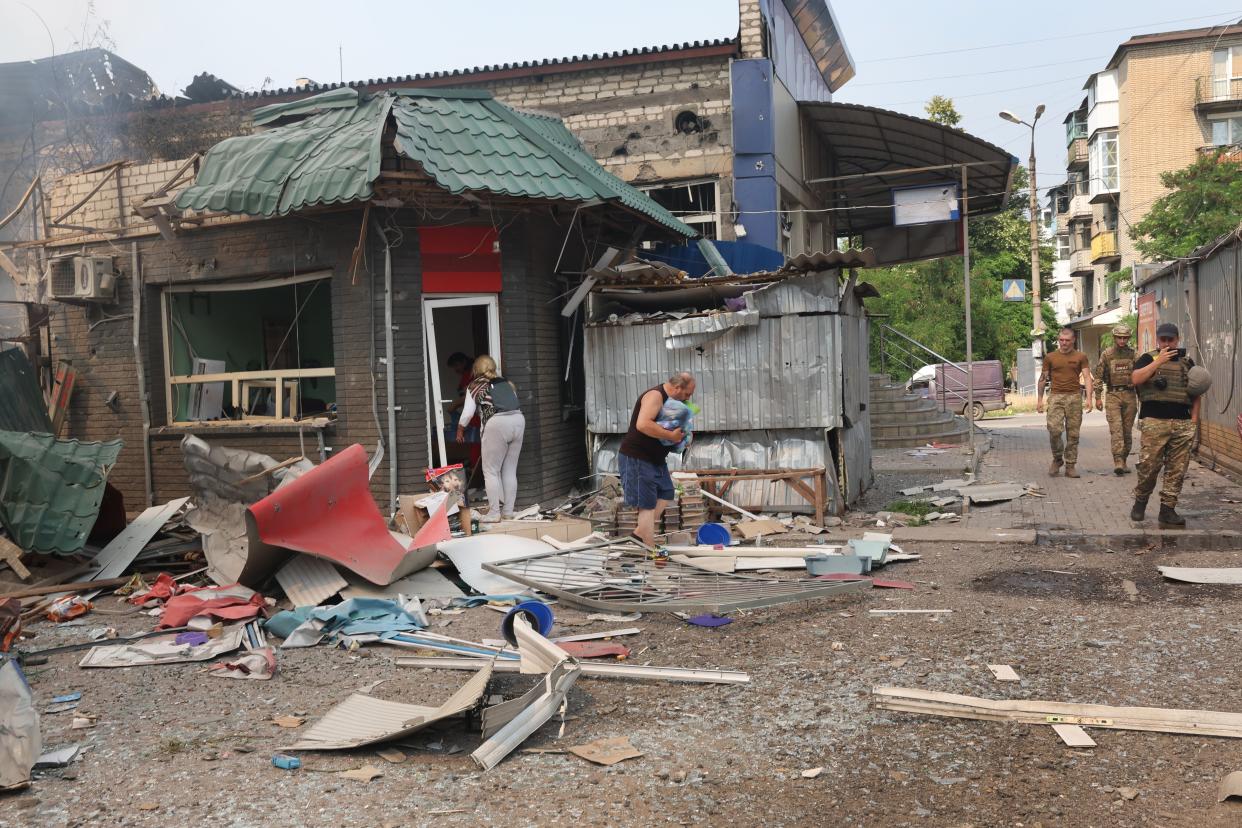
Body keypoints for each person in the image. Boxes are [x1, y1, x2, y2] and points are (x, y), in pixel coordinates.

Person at [1129, 323, 1200, 527]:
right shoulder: (1147, 358)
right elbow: (1135, 379)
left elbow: (1197, 393)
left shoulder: (1187, 362)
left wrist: (1194, 421)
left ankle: (1167, 510)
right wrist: (1158, 361)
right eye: (1163, 340)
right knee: (1149, 467)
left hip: (1182, 423)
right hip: (1154, 422)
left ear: (1177, 340)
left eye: (1171, 340)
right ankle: (1140, 503)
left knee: (1177, 469)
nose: (1167, 343)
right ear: (1158, 340)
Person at [618, 371, 696, 546]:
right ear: (677, 388)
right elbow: (643, 424)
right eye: (687, 394)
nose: (688, 398)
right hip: (637, 457)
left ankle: (638, 536)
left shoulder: (675, 403)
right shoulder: (655, 395)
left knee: (666, 492)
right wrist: (671, 436)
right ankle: (649, 548)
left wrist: (684, 436)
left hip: (655, 459)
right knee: (647, 504)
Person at [456, 355, 524, 523]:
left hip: (497, 424)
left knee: (491, 471)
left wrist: (460, 429)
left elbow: (467, 413)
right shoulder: (507, 383)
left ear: (476, 370)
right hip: (518, 420)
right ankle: (508, 511)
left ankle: (494, 513)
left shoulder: (474, 386)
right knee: (509, 470)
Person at [1036, 327, 1094, 477]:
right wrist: (1039, 400)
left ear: (1073, 340)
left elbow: (1087, 377)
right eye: (1061, 340)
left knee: (1073, 434)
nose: (1064, 343)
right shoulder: (1050, 357)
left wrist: (1088, 398)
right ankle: (1057, 459)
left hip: (1074, 397)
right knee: (1054, 430)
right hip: (1056, 397)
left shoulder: (1081, 356)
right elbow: (1042, 379)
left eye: (1067, 340)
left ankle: (1070, 465)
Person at [1093, 324, 1139, 475]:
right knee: (1116, 430)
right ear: (1114, 338)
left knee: (1127, 432)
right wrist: (1098, 398)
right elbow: (1099, 377)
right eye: (1119, 337)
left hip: (1130, 395)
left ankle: (1124, 460)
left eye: (1125, 338)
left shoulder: (1133, 354)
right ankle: (1118, 461)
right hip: (1113, 395)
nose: (1122, 340)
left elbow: (1142, 374)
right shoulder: (1107, 354)